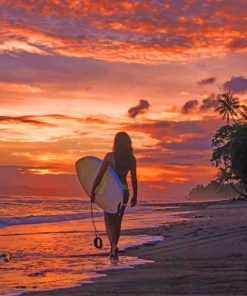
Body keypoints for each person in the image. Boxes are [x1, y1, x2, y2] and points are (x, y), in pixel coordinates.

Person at [90, 131, 137, 261]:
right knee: (118, 221)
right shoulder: (131, 159)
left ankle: (113, 247)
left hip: (111, 192)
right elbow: (134, 179)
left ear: (116, 142)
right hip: (124, 191)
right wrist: (135, 196)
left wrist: (93, 191)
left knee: (109, 220)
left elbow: (99, 176)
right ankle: (114, 247)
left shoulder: (110, 157)